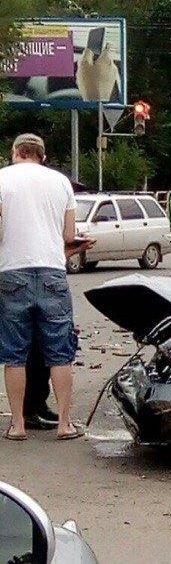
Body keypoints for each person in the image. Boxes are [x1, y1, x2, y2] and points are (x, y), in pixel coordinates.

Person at [0, 133, 93, 440]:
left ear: (15, 152)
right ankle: (65, 423)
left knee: (14, 353)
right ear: (42, 155)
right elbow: (68, 235)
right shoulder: (61, 182)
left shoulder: (2, 179)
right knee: (59, 351)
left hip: (12, 272)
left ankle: (17, 424)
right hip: (53, 271)